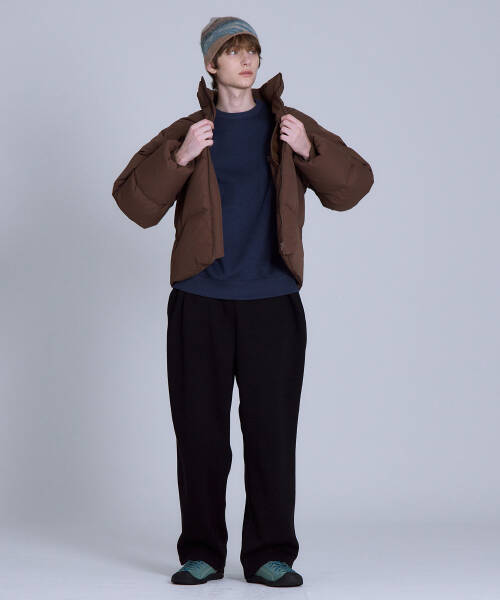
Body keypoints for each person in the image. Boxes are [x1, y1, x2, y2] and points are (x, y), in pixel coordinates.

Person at [112, 16, 374, 588]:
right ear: (211, 65)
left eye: (252, 50)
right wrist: (180, 158)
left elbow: (354, 186)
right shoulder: (189, 130)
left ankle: (269, 555)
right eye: (233, 52)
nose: (247, 60)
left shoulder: (288, 125)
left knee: (272, 435)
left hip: (272, 303)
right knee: (200, 436)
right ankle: (202, 553)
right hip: (199, 302)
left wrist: (309, 149)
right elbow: (133, 203)